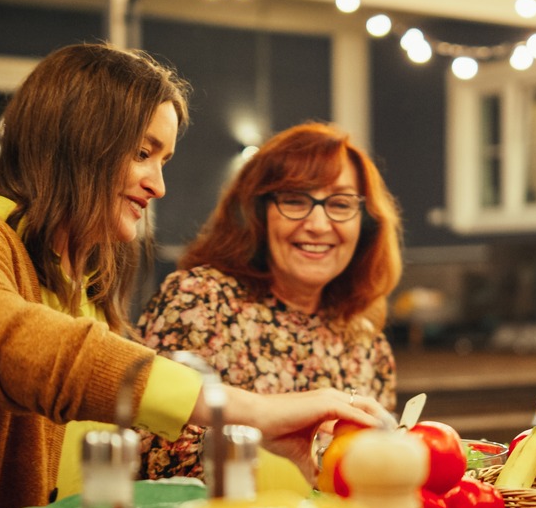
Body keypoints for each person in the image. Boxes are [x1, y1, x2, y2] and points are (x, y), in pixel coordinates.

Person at [0, 47, 385, 508]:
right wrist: (247, 409)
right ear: (76, 141)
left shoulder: (84, 279)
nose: (159, 185)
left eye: (164, 159)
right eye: (142, 153)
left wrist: (261, 442)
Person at [135, 121, 402, 482]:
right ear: (256, 214)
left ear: (365, 225)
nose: (319, 224)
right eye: (295, 200)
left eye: (340, 204)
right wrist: (262, 437)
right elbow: (149, 458)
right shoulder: (200, 301)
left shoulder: (368, 346)